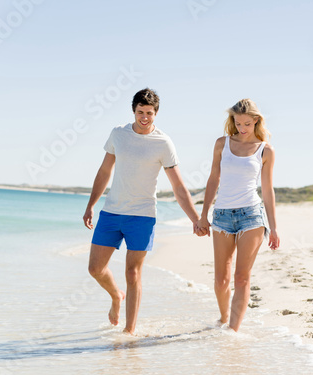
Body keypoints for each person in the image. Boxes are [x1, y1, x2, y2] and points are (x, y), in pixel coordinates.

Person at [83, 88, 206, 335]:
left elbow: (178, 186)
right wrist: (91, 205)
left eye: (149, 113)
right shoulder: (118, 134)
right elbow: (104, 171)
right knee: (95, 269)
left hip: (142, 216)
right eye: (140, 112)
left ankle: (129, 331)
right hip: (112, 212)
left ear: (156, 113)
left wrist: (196, 218)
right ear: (134, 111)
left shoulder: (163, 143)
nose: (145, 117)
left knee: (133, 272)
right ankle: (117, 296)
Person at [196, 98, 280, 332]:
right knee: (221, 280)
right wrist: (204, 215)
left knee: (242, 277)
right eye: (237, 123)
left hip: (251, 216)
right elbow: (213, 179)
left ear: (256, 121)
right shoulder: (221, 144)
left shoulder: (265, 150)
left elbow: (267, 190)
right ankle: (224, 319)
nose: (242, 128)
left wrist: (273, 227)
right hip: (221, 215)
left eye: (246, 124)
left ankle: (232, 331)